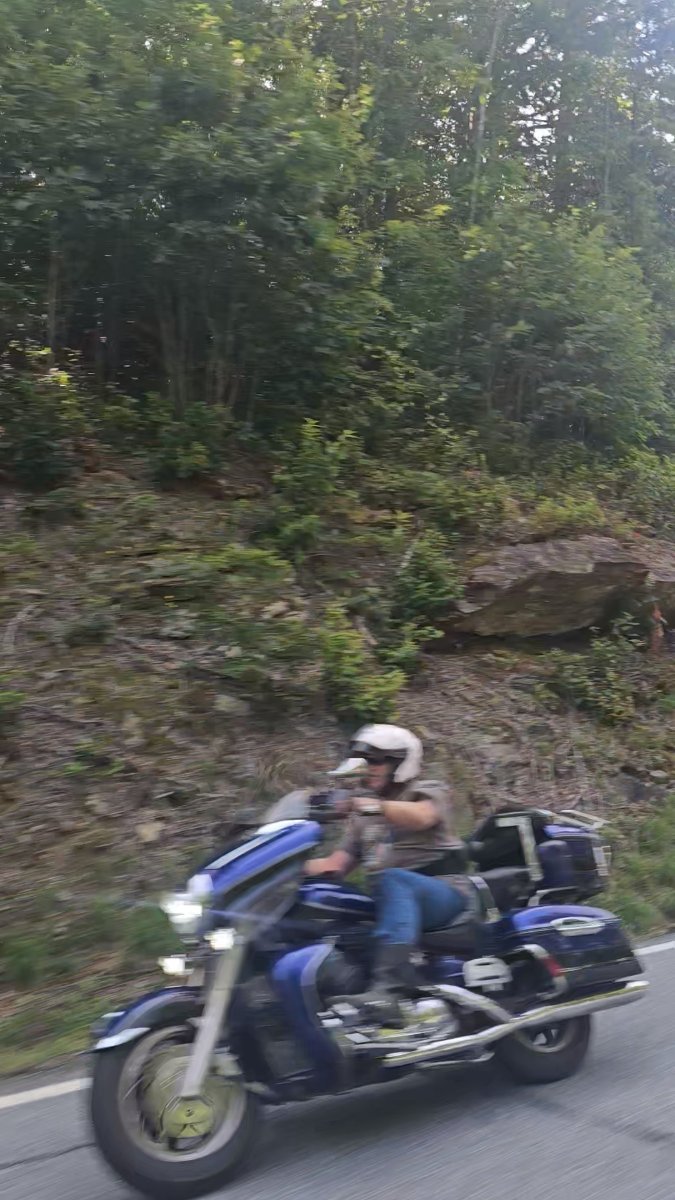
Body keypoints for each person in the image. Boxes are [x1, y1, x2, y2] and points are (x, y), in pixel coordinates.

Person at [306, 724, 469, 1025]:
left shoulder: (428, 790)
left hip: (445, 894)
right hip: (392, 905)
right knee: (329, 905)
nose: (368, 768)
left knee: (393, 878)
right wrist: (283, 867)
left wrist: (371, 806)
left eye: (376, 761)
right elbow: (334, 866)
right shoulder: (363, 818)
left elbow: (423, 816)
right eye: (363, 761)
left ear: (400, 763)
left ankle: (390, 988)